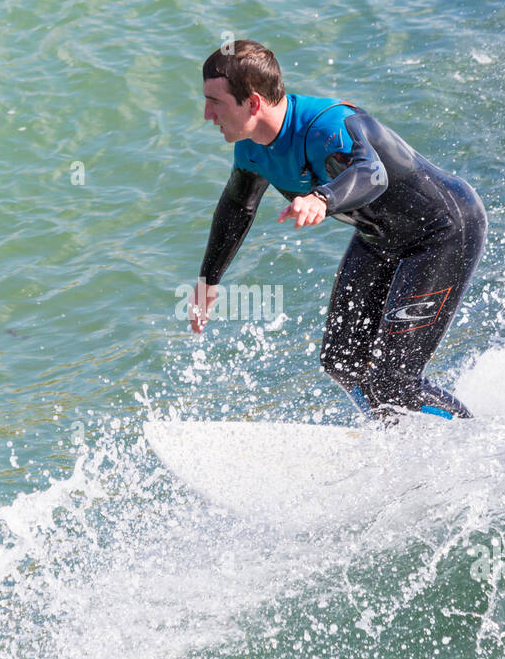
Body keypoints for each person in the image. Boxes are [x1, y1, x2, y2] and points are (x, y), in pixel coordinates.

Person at [191, 39, 487, 421]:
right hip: (380, 239)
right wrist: (208, 280)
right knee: (342, 360)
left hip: (442, 232)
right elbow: (238, 207)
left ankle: (475, 441)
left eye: (215, 102)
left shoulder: (326, 128)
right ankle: (393, 432)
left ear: (252, 103)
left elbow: (372, 174)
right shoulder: (251, 148)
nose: (206, 114)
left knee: (395, 379)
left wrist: (322, 199)